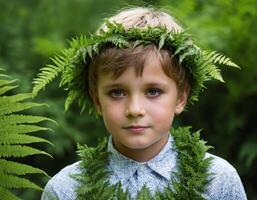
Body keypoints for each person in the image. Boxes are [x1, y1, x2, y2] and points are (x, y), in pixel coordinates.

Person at [38, 7, 247, 200]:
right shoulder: (65, 190)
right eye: (117, 92)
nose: (135, 110)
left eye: (153, 91)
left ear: (181, 97)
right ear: (96, 99)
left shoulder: (218, 181)